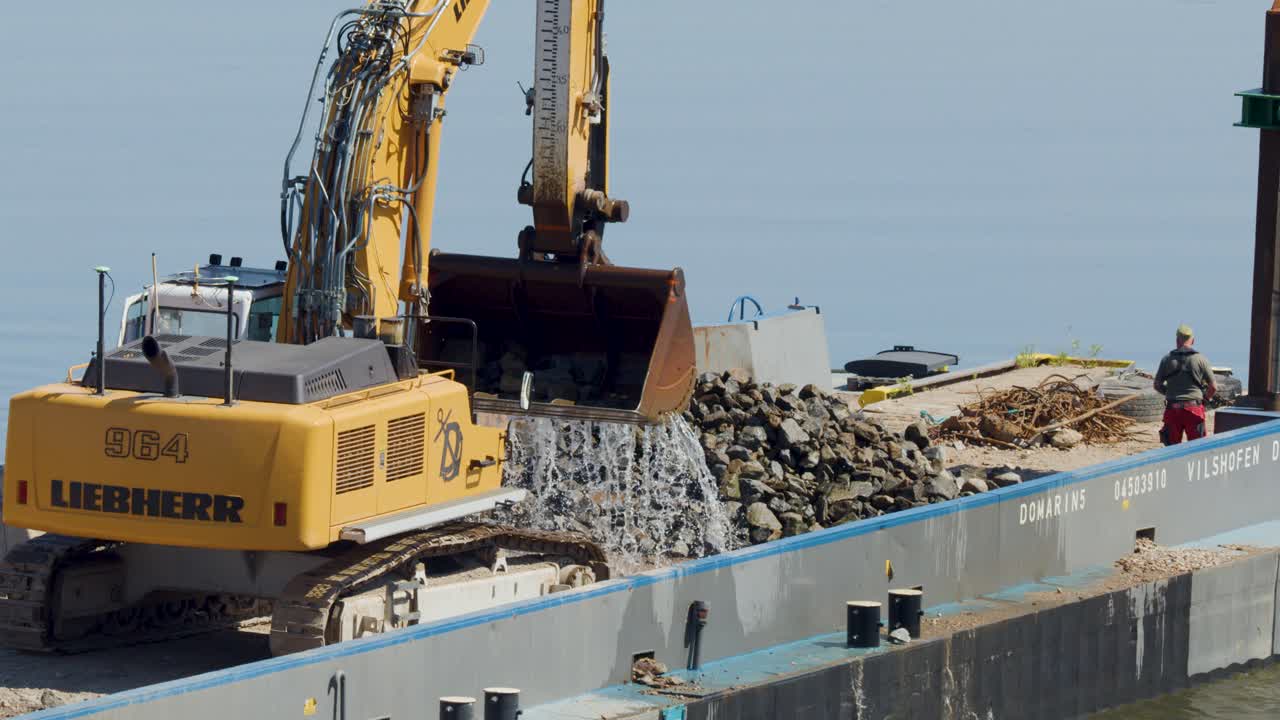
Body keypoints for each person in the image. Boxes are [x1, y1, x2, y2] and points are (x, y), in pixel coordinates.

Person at [1153, 324, 1216, 445]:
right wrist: (1205, 399)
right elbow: (1213, 387)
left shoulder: (1167, 359)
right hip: (1194, 410)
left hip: (1172, 410)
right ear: (1193, 340)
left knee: (1171, 449)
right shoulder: (1201, 359)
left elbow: (1157, 384)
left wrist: (1169, 392)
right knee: (1197, 448)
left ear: (1177, 340)